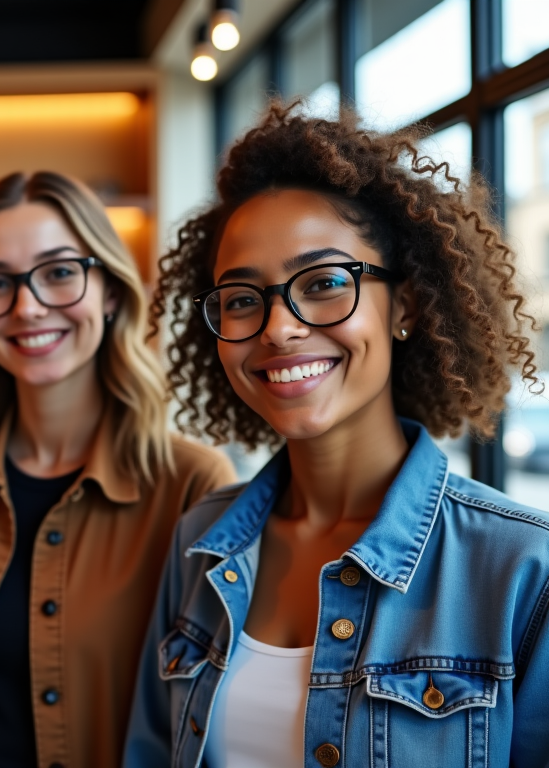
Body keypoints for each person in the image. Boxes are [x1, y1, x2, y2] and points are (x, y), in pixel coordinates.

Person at [124, 104, 549, 767]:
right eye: (241, 298)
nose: (278, 328)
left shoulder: (521, 568)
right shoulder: (199, 543)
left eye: (323, 283)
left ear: (404, 305)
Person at [0, 171, 236, 768]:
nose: (26, 306)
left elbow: (207, 720)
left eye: (60, 272)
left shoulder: (193, 487)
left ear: (110, 291)